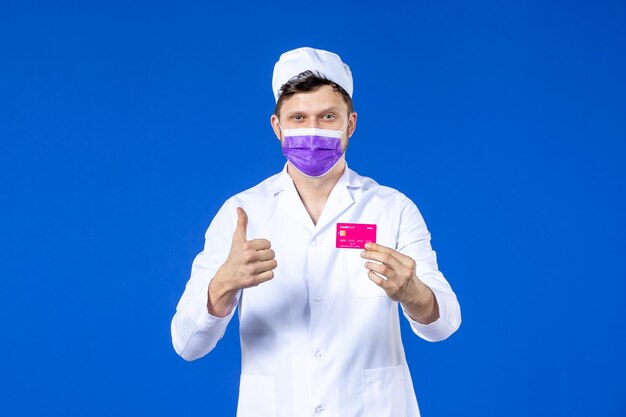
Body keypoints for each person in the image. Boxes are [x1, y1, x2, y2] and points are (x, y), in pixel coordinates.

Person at [171, 47, 461, 417]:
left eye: (327, 116)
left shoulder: (392, 208)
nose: (312, 130)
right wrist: (221, 287)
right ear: (277, 126)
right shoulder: (241, 212)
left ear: (350, 124)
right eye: (298, 117)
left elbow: (444, 325)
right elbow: (186, 343)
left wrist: (413, 292)